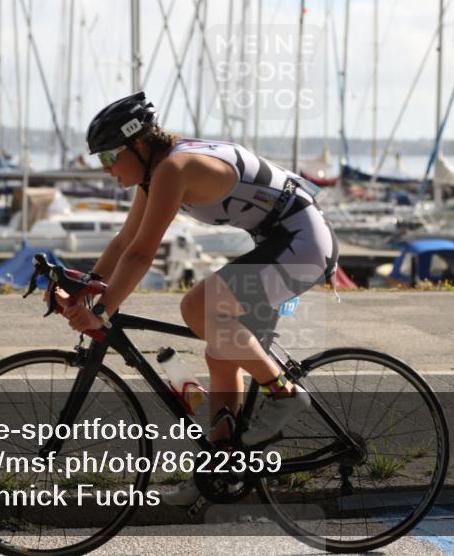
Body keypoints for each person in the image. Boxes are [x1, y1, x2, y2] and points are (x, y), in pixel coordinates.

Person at [50, 91, 339, 504]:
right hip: (278, 241)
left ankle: (284, 393)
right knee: (220, 352)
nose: (107, 169)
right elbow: (124, 240)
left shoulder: (174, 168)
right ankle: (217, 474)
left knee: (198, 307)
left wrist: (101, 311)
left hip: (304, 243)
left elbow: (142, 253)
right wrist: (87, 287)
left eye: (110, 156)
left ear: (138, 143)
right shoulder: (157, 171)